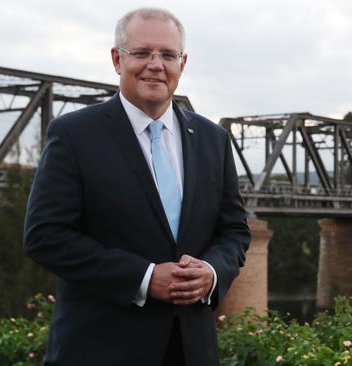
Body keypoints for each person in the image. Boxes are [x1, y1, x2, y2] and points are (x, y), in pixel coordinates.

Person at [24, 7, 250, 366]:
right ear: (117, 59)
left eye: (167, 55)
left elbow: (234, 231)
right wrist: (142, 278)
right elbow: (46, 236)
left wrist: (210, 273)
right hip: (99, 349)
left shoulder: (213, 139)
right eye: (142, 53)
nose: (155, 64)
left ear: (183, 63)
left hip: (192, 350)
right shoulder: (74, 135)